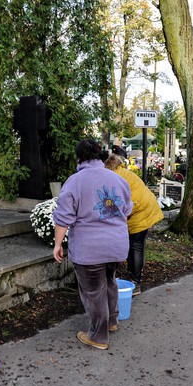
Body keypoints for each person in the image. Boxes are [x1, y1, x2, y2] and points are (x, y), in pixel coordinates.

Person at [53, 139, 133, 350]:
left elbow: (63, 218)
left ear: (79, 157)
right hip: (116, 246)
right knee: (109, 281)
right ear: (101, 156)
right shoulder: (118, 179)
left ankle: (98, 336)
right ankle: (112, 321)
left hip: (90, 249)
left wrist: (58, 244)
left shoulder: (75, 181)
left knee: (93, 292)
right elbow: (127, 210)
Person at [106, 148, 163, 295]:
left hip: (139, 211)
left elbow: (124, 204)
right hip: (142, 207)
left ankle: (135, 282)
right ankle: (132, 277)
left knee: (135, 246)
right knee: (134, 245)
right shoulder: (120, 171)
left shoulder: (114, 177)